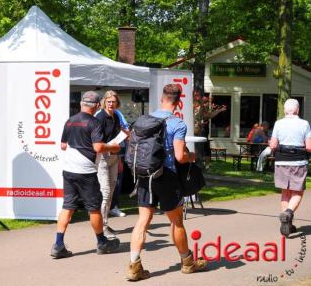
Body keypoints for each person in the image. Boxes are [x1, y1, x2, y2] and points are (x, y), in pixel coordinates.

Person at [127, 84, 207, 281]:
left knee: (143, 221)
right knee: (176, 221)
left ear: (162, 99)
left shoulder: (144, 120)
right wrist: (193, 156)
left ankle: (134, 266)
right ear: (178, 103)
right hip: (167, 177)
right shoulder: (177, 124)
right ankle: (187, 262)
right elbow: (180, 156)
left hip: (145, 175)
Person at [51, 91, 121, 259]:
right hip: (86, 171)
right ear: (97, 105)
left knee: (67, 207)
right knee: (94, 208)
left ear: (81, 104)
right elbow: (97, 148)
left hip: (69, 169)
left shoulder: (70, 121)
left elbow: (62, 145)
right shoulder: (94, 122)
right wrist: (113, 147)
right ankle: (102, 242)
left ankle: (58, 245)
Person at [269, 99, 311, 237]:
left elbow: (273, 145)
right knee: (297, 192)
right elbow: (309, 147)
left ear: (285, 111)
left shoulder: (278, 123)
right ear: (298, 110)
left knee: (285, 192)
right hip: (298, 162)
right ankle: (288, 213)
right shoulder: (304, 124)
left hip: (281, 162)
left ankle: (286, 224)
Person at [95, 90, 126, 238]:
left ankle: (105, 223)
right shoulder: (100, 117)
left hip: (114, 157)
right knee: (106, 192)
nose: (111, 104)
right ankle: (102, 227)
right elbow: (97, 142)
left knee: (111, 191)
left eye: (113, 101)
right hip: (102, 157)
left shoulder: (116, 116)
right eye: (108, 101)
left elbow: (118, 138)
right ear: (104, 102)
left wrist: (119, 158)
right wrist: (111, 147)